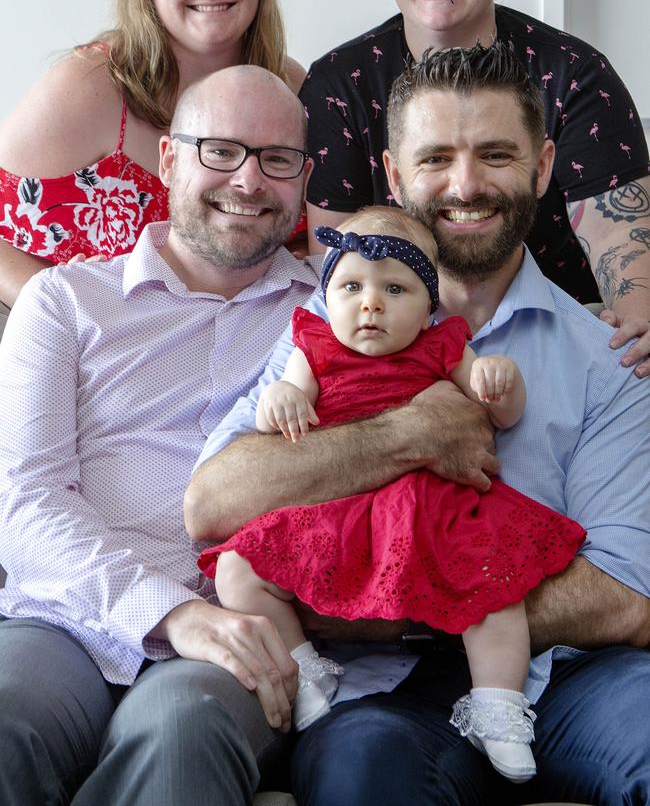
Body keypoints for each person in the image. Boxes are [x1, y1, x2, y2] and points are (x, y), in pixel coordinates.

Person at [186, 43, 650, 806]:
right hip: (388, 696)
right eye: (436, 158)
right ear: (397, 177)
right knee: (362, 777)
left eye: (496, 154)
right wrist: (407, 434)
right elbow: (213, 504)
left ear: (540, 169)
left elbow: (627, 597)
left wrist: (394, 591)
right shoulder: (325, 328)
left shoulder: (608, 356)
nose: (465, 185)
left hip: (572, 680)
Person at [0, 66, 319, 806]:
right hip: (65, 620)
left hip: (240, 634)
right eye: (221, 151)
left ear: (303, 181)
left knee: (182, 731)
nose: (248, 180)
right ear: (169, 160)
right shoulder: (66, 301)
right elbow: (24, 502)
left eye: (276, 160)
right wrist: (174, 614)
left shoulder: (337, 316)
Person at [198, 206, 586, 782]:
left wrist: (499, 383)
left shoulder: (443, 347)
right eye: (351, 286)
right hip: (341, 505)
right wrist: (280, 399)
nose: (370, 303)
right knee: (236, 570)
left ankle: (499, 705)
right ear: (327, 297)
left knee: (495, 582)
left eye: (394, 288)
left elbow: (502, 414)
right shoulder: (313, 346)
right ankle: (306, 669)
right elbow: (272, 416)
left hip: (430, 505)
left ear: (430, 307)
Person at [300, 0, 650, 377]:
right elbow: (337, 262)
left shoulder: (575, 74)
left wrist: (635, 333)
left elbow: (621, 241)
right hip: (400, 338)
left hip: (559, 336)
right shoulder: (339, 84)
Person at [0, 0, 305, 311]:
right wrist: (55, 302)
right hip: (103, 350)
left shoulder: (291, 87)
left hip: (249, 350)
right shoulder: (92, 84)